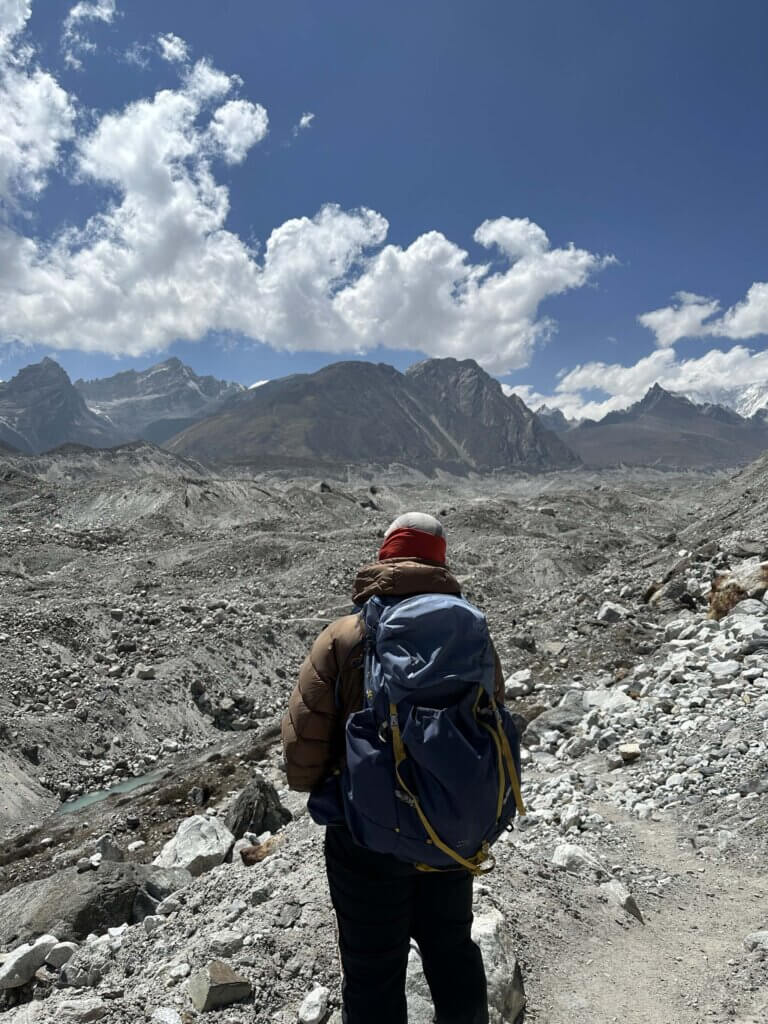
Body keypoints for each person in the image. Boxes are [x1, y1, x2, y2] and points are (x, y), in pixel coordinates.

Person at [282, 512, 507, 1024]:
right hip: (449, 831)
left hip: (365, 837)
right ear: (440, 560)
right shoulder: (470, 634)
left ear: (385, 556)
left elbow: (300, 759)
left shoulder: (344, 637)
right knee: (451, 950)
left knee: (372, 971)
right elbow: (493, 722)